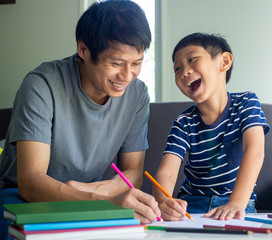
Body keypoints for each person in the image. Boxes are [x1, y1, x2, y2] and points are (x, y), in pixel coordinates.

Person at [0, 0, 161, 238]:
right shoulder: (41, 84)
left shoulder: (137, 94)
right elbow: (31, 181)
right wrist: (103, 202)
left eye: (136, 63)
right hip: (22, 196)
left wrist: (103, 194)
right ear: (84, 50)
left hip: (89, 197)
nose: (127, 76)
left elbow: (133, 172)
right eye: (116, 63)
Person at [153, 33, 270, 221]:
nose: (184, 72)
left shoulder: (247, 103)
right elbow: (167, 171)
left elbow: (255, 152)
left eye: (192, 59)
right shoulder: (183, 122)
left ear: (224, 62)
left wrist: (236, 203)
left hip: (238, 203)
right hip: (192, 204)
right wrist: (163, 201)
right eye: (177, 68)